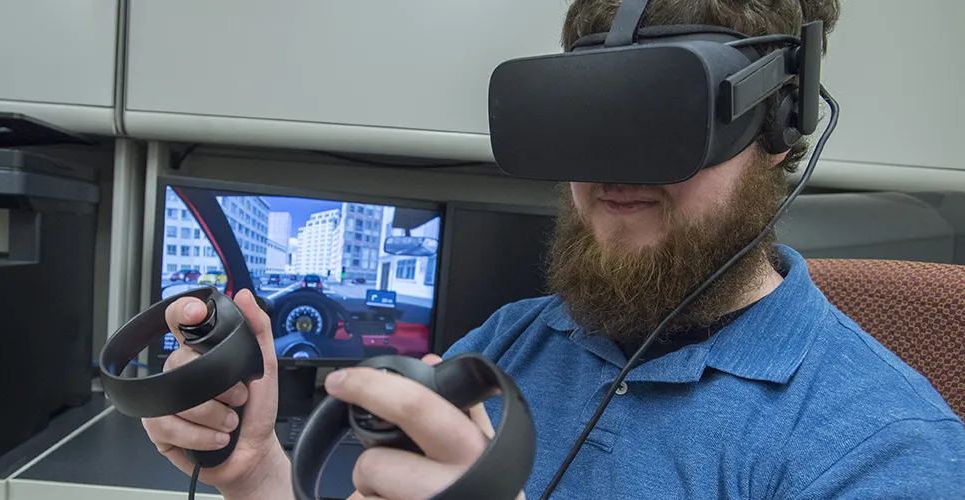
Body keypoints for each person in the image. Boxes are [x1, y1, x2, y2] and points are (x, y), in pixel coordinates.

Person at [142, 1, 965, 498]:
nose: (610, 169)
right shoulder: (509, 345)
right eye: (586, 116)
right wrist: (255, 476)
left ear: (778, 129)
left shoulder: (882, 450)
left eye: (657, 120)